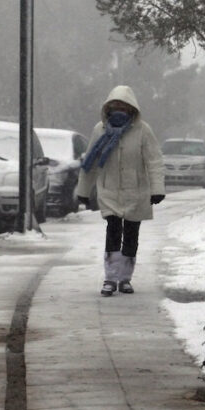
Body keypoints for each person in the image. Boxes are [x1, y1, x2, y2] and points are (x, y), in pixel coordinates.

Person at [76, 85, 165, 297]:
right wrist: (83, 191)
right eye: (115, 105)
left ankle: (125, 278)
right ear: (108, 106)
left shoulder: (143, 130)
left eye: (123, 105)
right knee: (113, 230)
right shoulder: (100, 130)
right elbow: (90, 161)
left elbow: (154, 161)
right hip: (109, 190)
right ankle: (110, 277)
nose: (119, 109)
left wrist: (157, 189)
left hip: (136, 191)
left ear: (131, 108)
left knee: (131, 234)